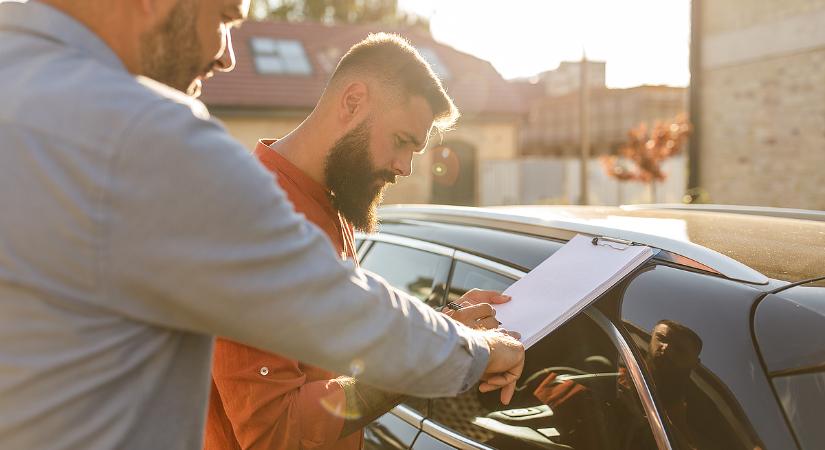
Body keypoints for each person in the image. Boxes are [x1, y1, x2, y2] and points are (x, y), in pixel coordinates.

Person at [0, 1, 524, 449]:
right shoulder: (143, 135)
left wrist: (447, 324)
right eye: (226, 15)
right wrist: (466, 354)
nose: (228, 54)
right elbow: (315, 359)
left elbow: (342, 318)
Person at [205, 33, 515, 450]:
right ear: (352, 103)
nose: (405, 167)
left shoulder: (332, 199)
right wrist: (430, 359)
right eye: (402, 141)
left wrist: (446, 327)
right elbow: (276, 431)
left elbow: (339, 352)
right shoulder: (250, 218)